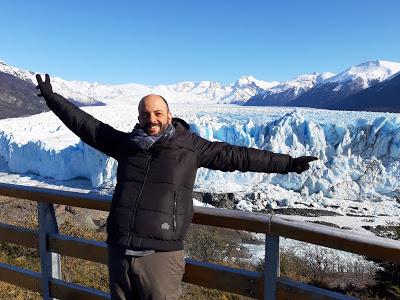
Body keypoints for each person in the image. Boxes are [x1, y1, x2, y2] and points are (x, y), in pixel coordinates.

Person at [36, 74, 317, 300]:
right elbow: (87, 126)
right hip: (120, 249)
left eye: (157, 113)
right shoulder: (126, 145)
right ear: (139, 118)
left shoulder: (191, 147)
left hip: (161, 254)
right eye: (145, 115)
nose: (152, 120)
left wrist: (288, 163)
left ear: (169, 115)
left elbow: (239, 156)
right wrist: (53, 99)